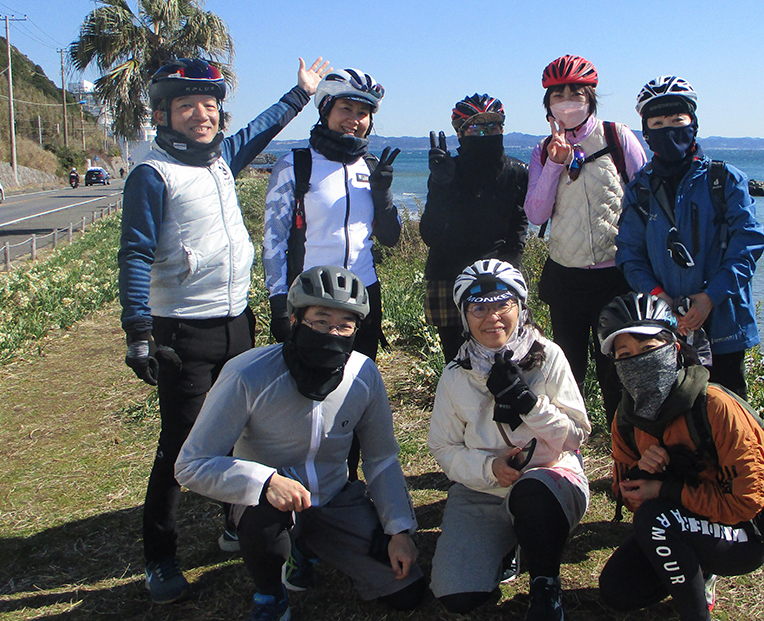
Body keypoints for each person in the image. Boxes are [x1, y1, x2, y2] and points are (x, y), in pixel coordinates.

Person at [119, 56, 329, 604]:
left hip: (237, 319)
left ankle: (233, 523)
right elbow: (136, 252)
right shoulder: (153, 171)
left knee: (238, 429)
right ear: (164, 113)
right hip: (182, 329)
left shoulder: (219, 159)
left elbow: (259, 131)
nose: (201, 115)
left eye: (209, 105)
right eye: (187, 105)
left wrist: (299, 94)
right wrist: (137, 329)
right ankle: (159, 556)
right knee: (183, 445)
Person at [176, 266, 425, 621]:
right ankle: (270, 597)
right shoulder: (248, 374)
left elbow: (381, 457)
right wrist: (263, 481)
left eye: (344, 325)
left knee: (407, 591)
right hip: (271, 505)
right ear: (294, 319)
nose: (332, 333)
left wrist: (399, 528)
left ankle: (305, 548)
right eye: (320, 320)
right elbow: (191, 464)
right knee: (264, 515)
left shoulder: (363, 374)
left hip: (334, 498)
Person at [596, 292, 764, 621]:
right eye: (626, 355)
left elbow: (748, 503)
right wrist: (643, 475)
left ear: (675, 349)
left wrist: (665, 490)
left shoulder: (716, 407)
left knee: (655, 521)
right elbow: (624, 492)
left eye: (650, 350)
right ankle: (692, 569)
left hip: (743, 532)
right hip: (679, 523)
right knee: (616, 590)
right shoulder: (627, 417)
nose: (638, 361)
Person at [427, 259, 591, 621]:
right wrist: (489, 469)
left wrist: (530, 406)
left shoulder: (548, 357)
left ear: (521, 306)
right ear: (464, 315)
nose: (492, 318)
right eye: (478, 308)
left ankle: (545, 586)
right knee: (458, 596)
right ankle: (506, 546)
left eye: (503, 304)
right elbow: (442, 446)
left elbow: (577, 435)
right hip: (482, 489)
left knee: (532, 495)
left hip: (548, 477)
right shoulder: (456, 374)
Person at [615, 76, 764, 398]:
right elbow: (629, 254)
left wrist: (711, 297)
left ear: (693, 124)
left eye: (676, 120)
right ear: (646, 133)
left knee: (730, 416)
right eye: (657, 122)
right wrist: (660, 299)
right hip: (665, 326)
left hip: (724, 320)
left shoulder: (724, 180)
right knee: (674, 419)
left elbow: (748, 243)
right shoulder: (640, 190)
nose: (668, 129)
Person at [524, 55, 646, 428]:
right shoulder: (542, 151)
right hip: (567, 277)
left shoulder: (616, 137)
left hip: (616, 277)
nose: (566, 100)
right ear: (547, 104)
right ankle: (565, 457)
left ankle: (625, 458)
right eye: (557, 94)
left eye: (575, 92)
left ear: (590, 96)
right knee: (567, 372)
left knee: (619, 373)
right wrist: (556, 164)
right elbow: (536, 214)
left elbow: (645, 198)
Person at [263, 68, 400, 361]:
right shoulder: (296, 164)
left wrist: (383, 193)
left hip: (363, 295)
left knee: (358, 386)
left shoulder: (371, 166)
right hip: (312, 297)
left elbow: (391, 237)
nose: (354, 119)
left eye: (363, 112)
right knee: (310, 387)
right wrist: (278, 304)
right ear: (326, 110)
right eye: (346, 108)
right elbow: (273, 240)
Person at [420, 94, 529, 362]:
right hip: (448, 275)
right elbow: (430, 234)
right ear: (460, 134)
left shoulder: (517, 172)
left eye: (493, 128)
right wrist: (441, 186)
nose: (485, 135)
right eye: (475, 128)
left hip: (499, 273)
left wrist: (508, 269)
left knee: (507, 358)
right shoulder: (448, 171)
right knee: (458, 362)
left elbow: (519, 224)